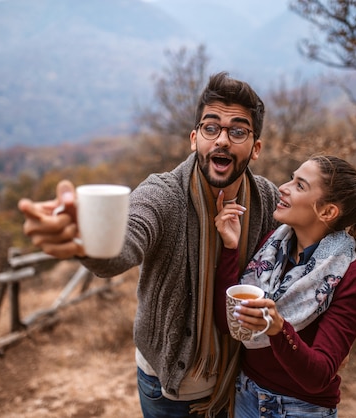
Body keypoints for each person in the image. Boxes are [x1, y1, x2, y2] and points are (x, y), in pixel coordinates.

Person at [18, 72, 280, 417]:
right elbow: (125, 245)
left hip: (239, 379)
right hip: (169, 387)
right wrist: (85, 238)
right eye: (211, 127)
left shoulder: (267, 200)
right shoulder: (163, 194)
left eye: (238, 131)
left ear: (255, 147)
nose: (222, 140)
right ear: (194, 138)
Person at [214, 155, 356, 418]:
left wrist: (278, 329)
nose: (283, 187)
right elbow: (228, 324)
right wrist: (230, 247)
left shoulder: (351, 276)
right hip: (246, 395)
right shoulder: (274, 246)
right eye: (292, 178)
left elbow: (319, 375)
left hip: (299, 409)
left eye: (300, 185)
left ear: (327, 212)